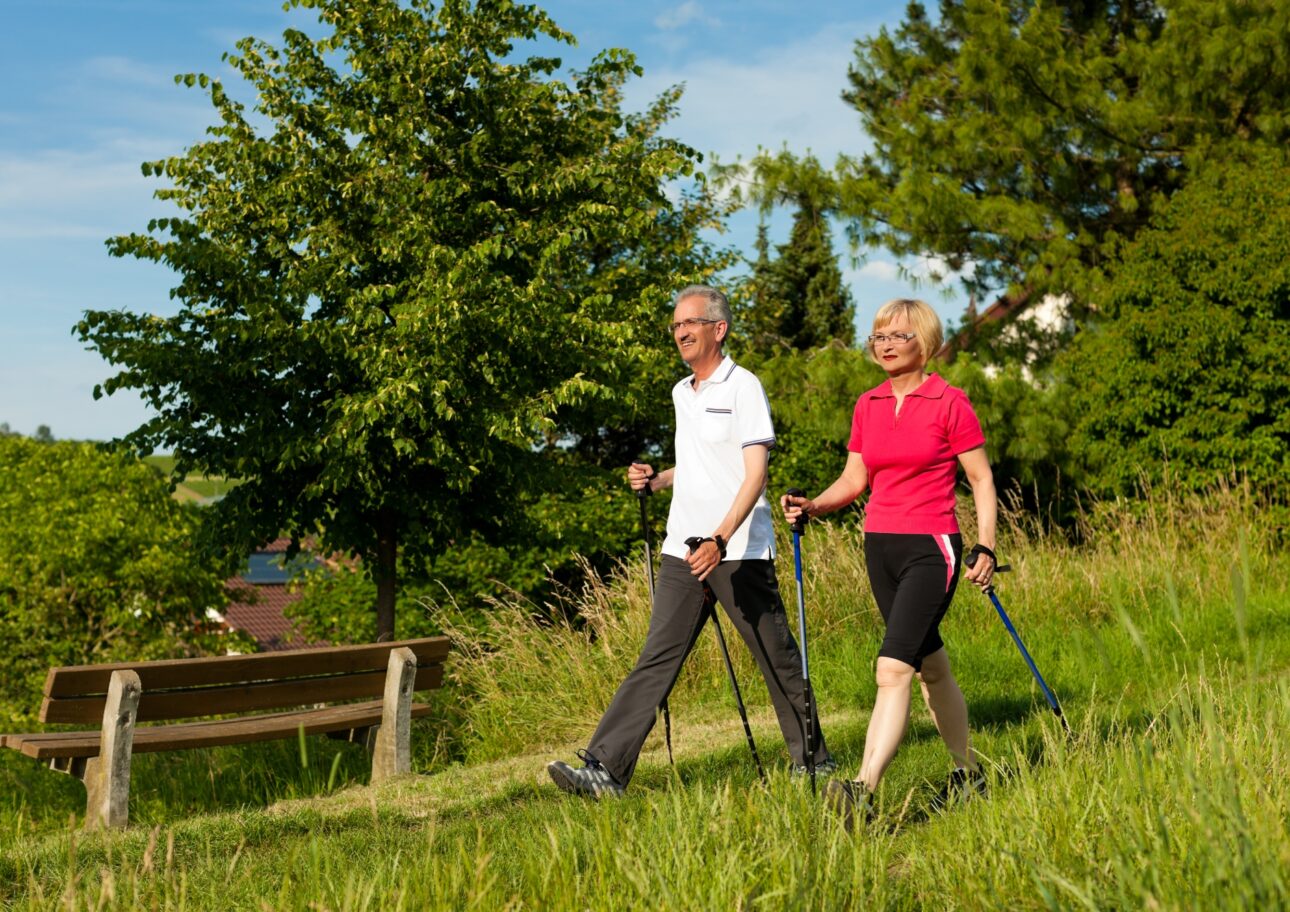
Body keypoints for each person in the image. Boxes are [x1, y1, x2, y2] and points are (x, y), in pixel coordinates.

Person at [547, 284, 834, 797]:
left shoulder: (743, 387)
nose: (680, 332)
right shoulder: (683, 392)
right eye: (676, 325)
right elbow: (701, 464)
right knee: (657, 657)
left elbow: (754, 475)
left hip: (736, 550)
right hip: (683, 548)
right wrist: (656, 479)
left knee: (776, 657)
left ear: (718, 329)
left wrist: (721, 539)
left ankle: (814, 763)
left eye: (690, 323)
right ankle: (605, 770)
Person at [780, 298, 997, 826]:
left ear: (925, 341)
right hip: (879, 546)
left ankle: (862, 787)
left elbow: (981, 480)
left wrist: (986, 547)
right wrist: (814, 505)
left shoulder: (950, 402)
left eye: (897, 336)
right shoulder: (868, 404)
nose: (885, 344)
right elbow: (856, 480)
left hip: (931, 547)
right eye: (878, 336)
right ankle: (970, 775)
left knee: (893, 668)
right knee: (931, 669)